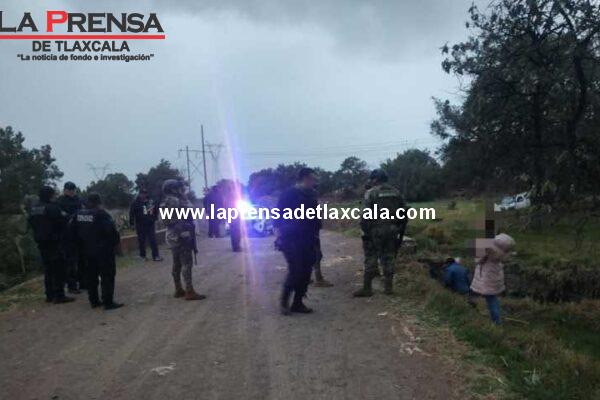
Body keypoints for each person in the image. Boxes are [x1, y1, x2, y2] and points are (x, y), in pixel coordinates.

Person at [354, 169, 407, 297]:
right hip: (392, 230)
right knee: (389, 257)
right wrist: (398, 228)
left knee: (371, 257)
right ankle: (388, 288)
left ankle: (367, 288)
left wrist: (365, 232)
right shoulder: (396, 192)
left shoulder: (371, 193)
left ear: (375, 179)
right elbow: (404, 212)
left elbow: (365, 215)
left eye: (372, 179)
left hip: (375, 230)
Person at [275, 168, 321, 314]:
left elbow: (316, 217)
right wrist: (280, 235)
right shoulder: (289, 194)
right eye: (312, 178)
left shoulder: (312, 194)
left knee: (307, 272)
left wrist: (316, 236)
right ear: (305, 178)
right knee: (296, 270)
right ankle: (284, 303)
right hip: (291, 239)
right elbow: (277, 216)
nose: (314, 181)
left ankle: (298, 302)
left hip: (308, 238)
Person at [72, 193, 124, 310]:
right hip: (103, 251)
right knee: (107, 276)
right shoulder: (101, 214)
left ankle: (94, 301)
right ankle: (108, 302)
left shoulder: (78, 214)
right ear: (99, 202)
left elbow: (72, 232)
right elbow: (111, 232)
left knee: (91, 277)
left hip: (86, 251)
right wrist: (116, 246)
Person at [27, 186, 75, 304]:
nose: (55, 197)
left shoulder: (34, 208)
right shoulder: (53, 208)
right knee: (59, 268)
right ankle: (59, 295)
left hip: (41, 242)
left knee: (48, 269)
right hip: (55, 242)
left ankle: (49, 295)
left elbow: (31, 223)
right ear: (50, 195)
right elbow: (64, 220)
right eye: (53, 195)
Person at [160, 179, 205, 300]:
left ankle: (178, 288)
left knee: (177, 263)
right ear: (173, 189)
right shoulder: (176, 200)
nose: (181, 190)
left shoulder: (165, 201)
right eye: (179, 188)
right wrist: (184, 198)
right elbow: (190, 211)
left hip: (171, 235)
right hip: (181, 234)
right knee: (186, 263)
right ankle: (189, 291)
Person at [470, 233, 516, 325]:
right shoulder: (503, 253)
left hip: (487, 277)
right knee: (493, 298)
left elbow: (478, 259)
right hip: (495, 277)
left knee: (491, 300)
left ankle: (496, 322)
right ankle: (495, 318)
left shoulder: (490, 251)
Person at [57, 181, 85, 293]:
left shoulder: (78, 199)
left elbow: (83, 211)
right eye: (69, 190)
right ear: (65, 190)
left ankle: (82, 282)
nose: (72, 192)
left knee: (82, 259)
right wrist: (72, 217)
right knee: (70, 262)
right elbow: (62, 216)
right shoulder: (60, 201)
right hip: (67, 235)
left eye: (73, 190)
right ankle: (72, 285)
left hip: (79, 233)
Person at [129, 189, 163, 261]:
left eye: (145, 193)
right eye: (142, 193)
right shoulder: (135, 203)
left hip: (150, 225)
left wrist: (154, 219)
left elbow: (154, 211)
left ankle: (156, 256)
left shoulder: (150, 202)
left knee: (153, 240)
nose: (143, 195)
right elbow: (131, 213)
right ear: (139, 194)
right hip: (140, 225)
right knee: (141, 241)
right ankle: (143, 256)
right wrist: (131, 223)